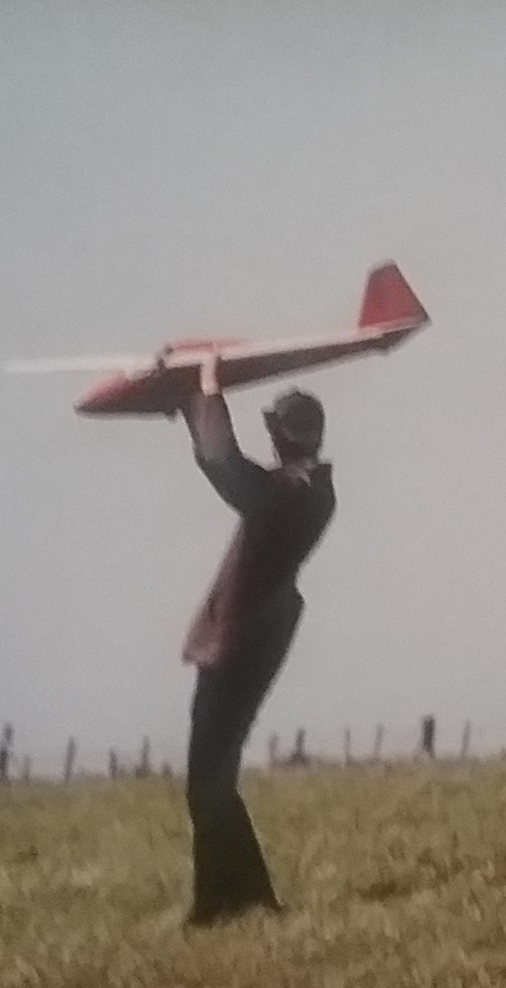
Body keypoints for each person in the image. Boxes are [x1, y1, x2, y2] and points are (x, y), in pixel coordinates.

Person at [170, 351, 336, 925]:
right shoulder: (314, 489)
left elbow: (223, 463)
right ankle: (240, 898)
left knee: (206, 779)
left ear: (278, 433)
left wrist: (206, 387)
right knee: (212, 777)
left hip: (239, 643)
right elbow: (230, 465)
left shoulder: (285, 493)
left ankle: (227, 902)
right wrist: (196, 404)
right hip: (259, 639)